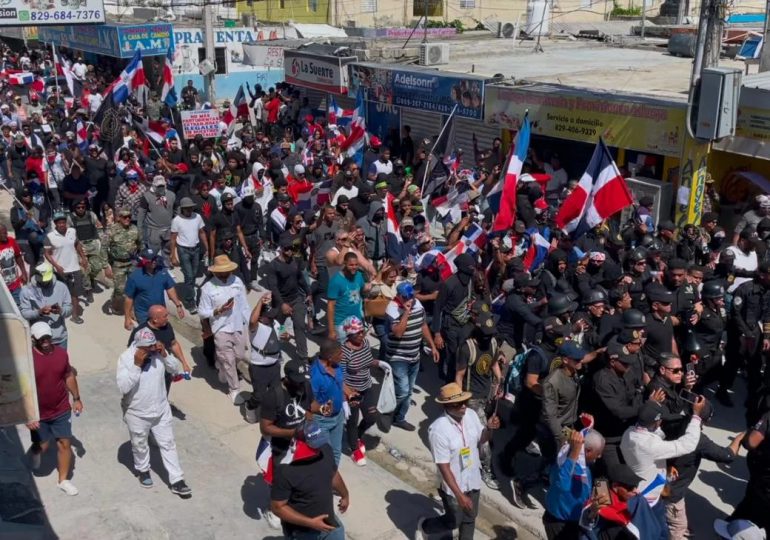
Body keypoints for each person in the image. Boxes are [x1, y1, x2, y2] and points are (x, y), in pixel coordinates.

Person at [417, 382, 500, 540]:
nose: (463, 406)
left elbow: (482, 439)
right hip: (453, 485)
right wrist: (460, 495)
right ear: (446, 405)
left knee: (470, 518)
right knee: (454, 521)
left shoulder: (471, 414)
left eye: (464, 402)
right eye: (458, 404)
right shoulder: (438, 430)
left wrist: (489, 428)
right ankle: (425, 526)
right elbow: (444, 467)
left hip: (472, 478)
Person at [116, 327, 191, 497]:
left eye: (153, 345)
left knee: (168, 443)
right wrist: (136, 365)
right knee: (140, 444)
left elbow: (175, 369)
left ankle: (177, 480)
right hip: (137, 412)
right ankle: (143, 470)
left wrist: (165, 355)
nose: (152, 349)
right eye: (148, 347)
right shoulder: (126, 358)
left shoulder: (158, 354)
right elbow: (123, 387)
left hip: (160, 409)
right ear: (138, 345)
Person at [620, 397, 707, 533]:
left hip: (639, 491)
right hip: (648, 501)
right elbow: (687, 445)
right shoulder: (650, 445)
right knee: (657, 533)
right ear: (657, 422)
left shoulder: (629, 433)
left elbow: (653, 441)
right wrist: (696, 416)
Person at [26, 321, 82, 496]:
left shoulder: (61, 354)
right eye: (41, 338)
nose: (46, 341)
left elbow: (68, 376)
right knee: (42, 445)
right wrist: (27, 415)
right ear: (33, 339)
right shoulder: (27, 359)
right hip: (38, 413)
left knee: (65, 443)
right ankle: (35, 451)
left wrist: (77, 398)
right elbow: (20, 389)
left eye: (48, 337)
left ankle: (63, 480)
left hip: (61, 408)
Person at [270, 420, 350, 540]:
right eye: (314, 445)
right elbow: (277, 507)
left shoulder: (325, 449)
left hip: (329, 523)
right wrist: (311, 522)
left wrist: (345, 494)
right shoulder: (285, 470)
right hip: (302, 532)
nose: (318, 448)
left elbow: (333, 473)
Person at [454, 309, 505, 489]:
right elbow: (459, 376)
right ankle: (487, 470)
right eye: (485, 334)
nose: (488, 338)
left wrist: (499, 380)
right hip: (472, 398)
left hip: (487, 396)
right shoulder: (467, 348)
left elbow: (493, 364)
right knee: (484, 437)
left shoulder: (492, 343)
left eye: (490, 334)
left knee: (482, 433)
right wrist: (459, 400)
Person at [386, 281, 439, 431]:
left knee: (408, 391)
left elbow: (423, 325)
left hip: (414, 356)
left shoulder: (418, 305)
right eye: (405, 297)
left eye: (411, 297)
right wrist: (406, 312)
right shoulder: (392, 308)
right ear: (399, 296)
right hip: (398, 357)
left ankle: (399, 418)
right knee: (402, 391)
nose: (409, 300)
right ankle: (387, 412)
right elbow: (398, 333)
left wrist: (432, 346)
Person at [197, 254, 251, 404]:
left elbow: (244, 305)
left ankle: (221, 365)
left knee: (239, 355)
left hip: (238, 325)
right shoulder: (207, 288)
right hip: (220, 328)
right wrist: (218, 311)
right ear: (215, 272)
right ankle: (234, 389)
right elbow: (202, 312)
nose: (226, 274)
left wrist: (251, 324)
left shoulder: (237, 281)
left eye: (227, 271)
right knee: (228, 359)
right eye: (222, 272)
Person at [542, 429, 605, 538]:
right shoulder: (565, 462)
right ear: (588, 451)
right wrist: (575, 452)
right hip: (559, 523)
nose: (600, 456)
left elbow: (600, 483)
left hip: (579, 520)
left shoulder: (587, 464)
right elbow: (562, 485)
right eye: (598, 453)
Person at [340, 316, 381, 467]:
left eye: (362, 331)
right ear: (349, 334)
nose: (361, 335)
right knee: (352, 421)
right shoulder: (344, 351)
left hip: (367, 386)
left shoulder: (365, 343)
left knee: (372, 417)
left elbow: (368, 361)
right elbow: (340, 375)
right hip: (351, 391)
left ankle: (358, 435)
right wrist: (347, 393)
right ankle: (354, 449)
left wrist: (377, 363)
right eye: (358, 333)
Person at [127, 305, 192, 396]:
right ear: (155, 319)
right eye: (165, 316)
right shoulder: (141, 332)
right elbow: (131, 354)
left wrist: (184, 363)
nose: (167, 318)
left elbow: (173, 344)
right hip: (149, 374)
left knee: (164, 394)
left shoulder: (167, 326)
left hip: (166, 370)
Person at [245, 291, 283, 424]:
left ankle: (272, 415)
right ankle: (250, 406)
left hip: (274, 365)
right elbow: (252, 320)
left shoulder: (275, 324)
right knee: (259, 396)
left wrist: (287, 336)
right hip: (258, 367)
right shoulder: (255, 327)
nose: (271, 319)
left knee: (277, 393)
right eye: (268, 317)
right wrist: (260, 302)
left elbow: (283, 332)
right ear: (260, 318)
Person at [310, 340, 349, 466]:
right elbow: (309, 403)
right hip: (321, 421)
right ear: (330, 357)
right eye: (340, 353)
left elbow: (340, 384)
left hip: (338, 417)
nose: (343, 355)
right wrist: (324, 409)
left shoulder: (337, 366)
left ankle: (333, 475)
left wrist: (346, 398)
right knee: (325, 455)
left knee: (336, 452)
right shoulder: (315, 375)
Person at [124, 248, 185, 329]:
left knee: (163, 334)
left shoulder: (163, 272)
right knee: (148, 336)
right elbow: (129, 298)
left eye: (155, 258)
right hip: (144, 315)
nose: (154, 261)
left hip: (161, 313)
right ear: (144, 261)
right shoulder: (134, 277)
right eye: (151, 260)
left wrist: (178, 305)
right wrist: (127, 318)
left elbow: (170, 288)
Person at [45, 211, 87, 324]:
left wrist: (83, 257)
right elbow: (47, 253)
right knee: (59, 293)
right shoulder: (50, 236)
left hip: (74, 267)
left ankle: (75, 315)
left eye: (63, 222)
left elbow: (77, 244)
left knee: (75, 293)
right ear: (55, 224)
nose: (62, 225)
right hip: (61, 270)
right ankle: (58, 315)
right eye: (59, 223)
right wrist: (56, 266)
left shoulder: (72, 231)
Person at [19, 261, 73, 350]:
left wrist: (61, 310)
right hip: (39, 340)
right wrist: (39, 312)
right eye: (44, 280)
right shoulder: (26, 290)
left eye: (48, 279)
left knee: (61, 359)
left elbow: (69, 308)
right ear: (36, 276)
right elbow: (24, 313)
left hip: (59, 338)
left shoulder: (62, 287)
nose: (46, 282)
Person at [170, 197, 208, 314]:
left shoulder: (197, 217)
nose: (189, 210)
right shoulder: (176, 220)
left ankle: (189, 291)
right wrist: (173, 255)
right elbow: (173, 238)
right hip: (183, 250)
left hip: (196, 249)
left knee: (194, 275)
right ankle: (190, 302)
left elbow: (202, 232)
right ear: (182, 209)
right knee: (189, 276)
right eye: (187, 208)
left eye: (191, 208)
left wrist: (207, 248)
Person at [327, 252, 371, 342]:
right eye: (351, 265)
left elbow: (363, 289)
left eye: (356, 265)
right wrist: (331, 330)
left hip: (356, 321)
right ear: (345, 263)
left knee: (357, 347)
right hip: (341, 323)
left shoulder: (359, 275)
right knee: (342, 349)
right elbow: (330, 306)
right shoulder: (336, 280)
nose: (354, 267)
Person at [107, 207, 141, 315]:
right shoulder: (112, 230)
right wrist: (105, 266)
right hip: (118, 264)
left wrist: (141, 259)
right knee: (120, 290)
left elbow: (140, 244)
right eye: (125, 217)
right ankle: (115, 304)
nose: (127, 219)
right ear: (119, 218)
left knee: (134, 287)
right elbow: (103, 248)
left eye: (129, 217)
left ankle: (132, 310)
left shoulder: (135, 229)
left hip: (132, 263)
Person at [0, 222, 28, 306]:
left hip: (15, 284)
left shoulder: (11, 240)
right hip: (2, 288)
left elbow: (18, 256)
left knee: (20, 306)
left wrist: (23, 272)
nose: (5, 235)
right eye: (3, 233)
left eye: (6, 233)